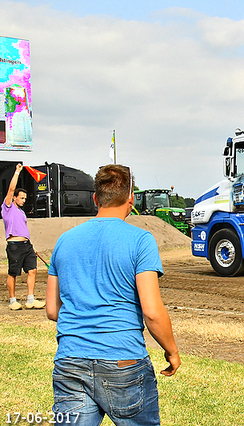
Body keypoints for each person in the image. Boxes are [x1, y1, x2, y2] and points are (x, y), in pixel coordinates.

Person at [46, 164, 181, 426]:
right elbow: (152, 312)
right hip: (123, 362)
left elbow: (52, 310)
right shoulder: (141, 240)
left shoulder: (64, 240)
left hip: (70, 361)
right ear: (130, 198)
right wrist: (171, 350)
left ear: (96, 198)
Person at [2, 163, 45, 310]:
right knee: (13, 273)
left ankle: (30, 299)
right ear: (14, 198)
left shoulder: (21, 212)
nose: (24, 200)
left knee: (32, 270)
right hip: (15, 245)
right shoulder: (8, 207)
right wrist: (17, 172)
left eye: (25, 198)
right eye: (21, 198)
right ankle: (13, 301)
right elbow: (11, 188)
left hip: (27, 245)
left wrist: (31, 245)